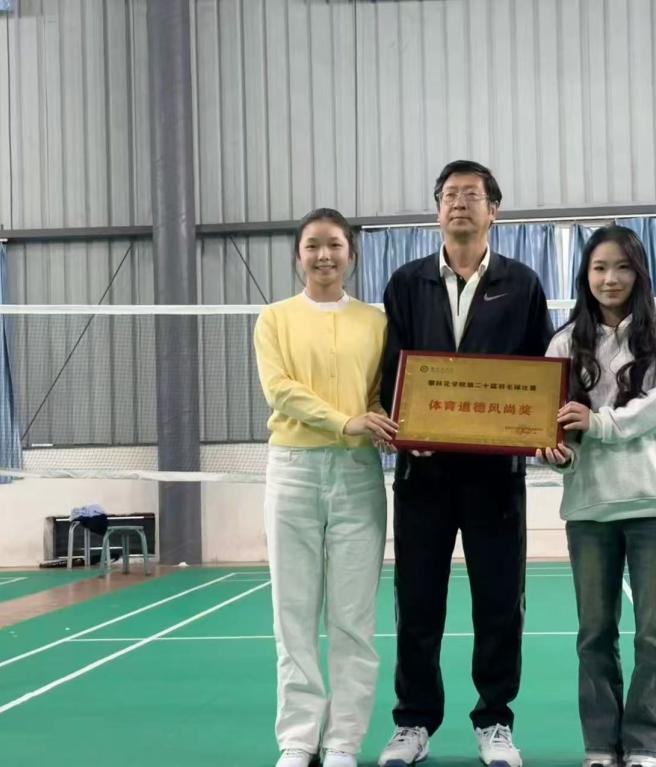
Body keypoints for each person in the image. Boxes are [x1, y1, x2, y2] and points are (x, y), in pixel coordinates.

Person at [377, 160, 554, 767]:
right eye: (449, 194)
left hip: (495, 477)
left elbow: (539, 370)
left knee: (500, 603)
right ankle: (413, 722)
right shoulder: (406, 283)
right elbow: (392, 368)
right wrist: (404, 429)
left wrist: (541, 429)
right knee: (417, 603)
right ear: (437, 209)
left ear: (493, 210)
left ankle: (495, 720)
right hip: (421, 476)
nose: (459, 203)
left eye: (471, 194)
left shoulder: (522, 283)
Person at [537, 225, 656, 767]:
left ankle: (650, 745)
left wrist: (600, 424)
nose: (611, 278)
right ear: (585, 274)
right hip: (590, 509)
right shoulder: (563, 344)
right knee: (594, 634)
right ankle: (602, 745)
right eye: (600, 267)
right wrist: (556, 453)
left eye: (622, 267)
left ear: (639, 272)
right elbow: (557, 429)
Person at [253, 208, 399, 767]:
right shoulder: (274, 319)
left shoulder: (375, 323)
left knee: (353, 620)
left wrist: (396, 425)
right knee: (293, 615)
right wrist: (346, 421)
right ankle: (298, 738)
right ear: (298, 255)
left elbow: (384, 396)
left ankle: (343, 742)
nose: (324, 255)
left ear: (351, 254)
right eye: (313, 245)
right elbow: (280, 390)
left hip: (358, 475)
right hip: (292, 472)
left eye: (334, 245)